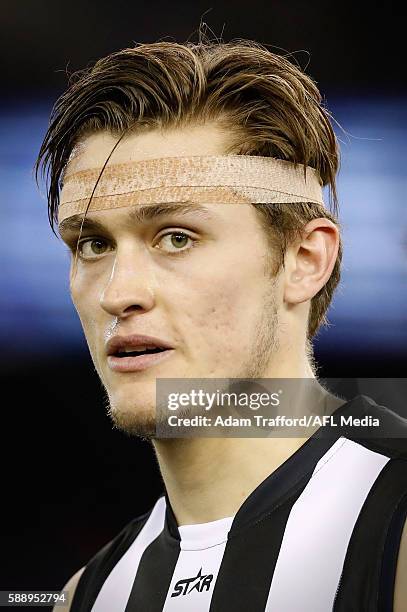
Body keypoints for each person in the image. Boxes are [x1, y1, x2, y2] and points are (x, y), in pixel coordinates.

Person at [36, 34, 407, 611]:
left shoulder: (395, 526)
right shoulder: (89, 595)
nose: (118, 293)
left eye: (176, 237)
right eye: (92, 244)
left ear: (304, 261)